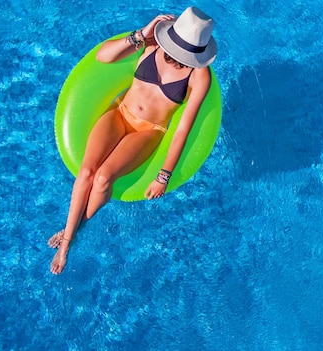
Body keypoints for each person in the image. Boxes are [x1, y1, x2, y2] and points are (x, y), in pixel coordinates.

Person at [48, 7, 217, 274]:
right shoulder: (151, 44)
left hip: (148, 131)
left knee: (103, 177)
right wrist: (141, 34)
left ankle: (71, 235)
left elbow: (183, 127)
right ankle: (67, 239)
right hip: (119, 113)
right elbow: (103, 57)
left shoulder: (199, 76)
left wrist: (164, 175)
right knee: (87, 172)